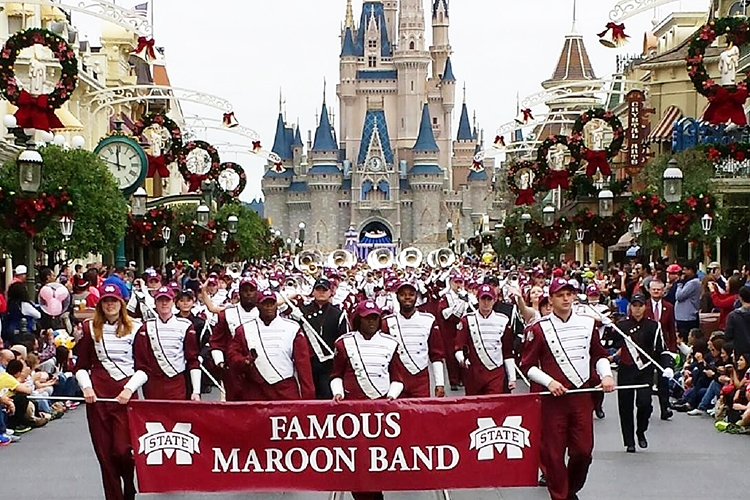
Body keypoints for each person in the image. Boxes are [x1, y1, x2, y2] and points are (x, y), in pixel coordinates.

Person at [521, 277, 615, 500]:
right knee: (553, 454)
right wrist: (549, 382)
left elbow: (599, 355)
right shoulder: (539, 329)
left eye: (569, 294)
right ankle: (560, 496)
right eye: (560, 295)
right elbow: (527, 366)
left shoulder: (587, 324)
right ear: (551, 299)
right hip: (553, 400)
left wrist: (607, 375)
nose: (565, 298)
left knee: (583, 451)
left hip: (581, 397)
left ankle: (569, 490)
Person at [74, 284, 147, 500]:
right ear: (100, 304)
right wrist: (86, 386)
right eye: (106, 301)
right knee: (105, 455)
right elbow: (81, 367)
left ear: (122, 303)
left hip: (125, 396)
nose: (110, 305)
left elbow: (144, 368)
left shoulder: (136, 328)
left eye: (114, 300)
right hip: (98, 397)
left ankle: (128, 482)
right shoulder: (89, 328)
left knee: (123, 450)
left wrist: (129, 389)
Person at [330, 300, 405, 500]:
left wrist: (392, 395)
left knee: (377, 458)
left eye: (374, 318)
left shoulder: (391, 343)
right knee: (356, 460)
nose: (371, 322)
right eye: (366, 318)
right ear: (358, 320)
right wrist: (338, 393)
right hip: (352, 411)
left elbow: (398, 377)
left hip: (380, 410)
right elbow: (336, 374)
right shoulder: (343, 343)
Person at [227, 289, 314, 400]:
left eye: (271, 303)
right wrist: (244, 361)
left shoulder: (293, 328)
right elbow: (232, 355)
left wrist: (308, 397)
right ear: (258, 305)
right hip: (256, 389)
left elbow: (303, 365)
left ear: (276, 305)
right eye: (265, 304)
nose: (268, 307)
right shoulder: (243, 330)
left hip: (285, 388)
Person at [613, 293, 673, 453]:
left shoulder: (654, 326)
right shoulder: (622, 326)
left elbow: (662, 350)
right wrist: (608, 328)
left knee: (644, 403)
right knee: (625, 407)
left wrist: (667, 366)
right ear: (630, 307)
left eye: (640, 305)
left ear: (645, 307)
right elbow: (610, 343)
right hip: (626, 369)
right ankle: (629, 441)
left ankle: (641, 431)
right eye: (634, 305)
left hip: (644, 371)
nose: (637, 309)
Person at [134, 286, 201, 400]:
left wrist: (196, 391)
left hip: (176, 382)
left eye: (167, 300)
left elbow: (192, 360)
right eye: (160, 300)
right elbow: (141, 362)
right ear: (155, 303)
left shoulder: (185, 325)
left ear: (173, 302)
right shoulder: (146, 327)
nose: (164, 303)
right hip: (153, 384)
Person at [381, 281, 445, 398]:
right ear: (397, 297)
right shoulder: (387, 322)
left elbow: (436, 355)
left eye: (411, 294)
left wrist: (439, 383)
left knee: (420, 414)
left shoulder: (429, 320)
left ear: (416, 296)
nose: (407, 298)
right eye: (403, 294)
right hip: (396, 379)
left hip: (420, 379)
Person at [455, 284, 516, 395]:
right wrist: (461, 359)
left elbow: (507, 352)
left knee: (494, 406)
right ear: (478, 299)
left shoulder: (503, 320)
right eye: (483, 298)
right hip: (474, 372)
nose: (486, 302)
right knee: (475, 407)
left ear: (494, 300)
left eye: (489, 299)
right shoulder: (467, 320)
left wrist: (512, 377)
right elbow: (458, 347)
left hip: (496, 372)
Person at [294, 277, 348, 399]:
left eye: (324, 290)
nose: (321, 292)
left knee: (327, 397)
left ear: (330, 292)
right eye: (318, 289)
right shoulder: (301, 311)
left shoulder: (338, 314)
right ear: (313, 292)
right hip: (307, 364)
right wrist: (295, 294)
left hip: (330, 365)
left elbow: (343, 341)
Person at [209, 277, 259, 400]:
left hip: (260, 367)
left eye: (251, 290)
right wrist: (220, 362)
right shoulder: (227, 314)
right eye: (244, 290)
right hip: (235, 369)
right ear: (239, 293)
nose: (248, 293)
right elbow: (216, 342)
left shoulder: (264, 311)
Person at [645, 279, 678, 420]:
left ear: (663, 291)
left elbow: (671, 329)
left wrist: (673, 349)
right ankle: (646, 407)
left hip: (663, 348)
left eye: (659, 289)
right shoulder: (643, 306)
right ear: (649, 290)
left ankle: (665, 408)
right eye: (654, 289)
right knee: (647, 379)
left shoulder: (669, 307)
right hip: (646, 348)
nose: (656, 292)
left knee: (664, 379)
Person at [438, 272, 470, 390]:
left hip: (463, 328)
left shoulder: (467, 295)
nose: (458, 285)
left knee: (465, 352)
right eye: (456, 282)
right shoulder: (446, 297)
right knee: (451, 355)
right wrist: (458, 305)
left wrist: (466, 300)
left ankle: (464, 378)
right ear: (451, 283)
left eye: (460, 282)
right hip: (450, 329)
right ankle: (454, 381)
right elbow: (444, 313)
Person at [675, 260, 701, 342]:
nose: (683, 272)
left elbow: (679, 296)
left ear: (691, 270)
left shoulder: (693, 283)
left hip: (687, 317)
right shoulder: (689, 282)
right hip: (682, 316)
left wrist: (680, 284)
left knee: (684, 340)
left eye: (685, 270)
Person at [725, 286, 750, 359]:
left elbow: (728, 336)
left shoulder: (733, 316)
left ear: (740, 297)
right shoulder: (733, 315)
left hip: (740, 353)